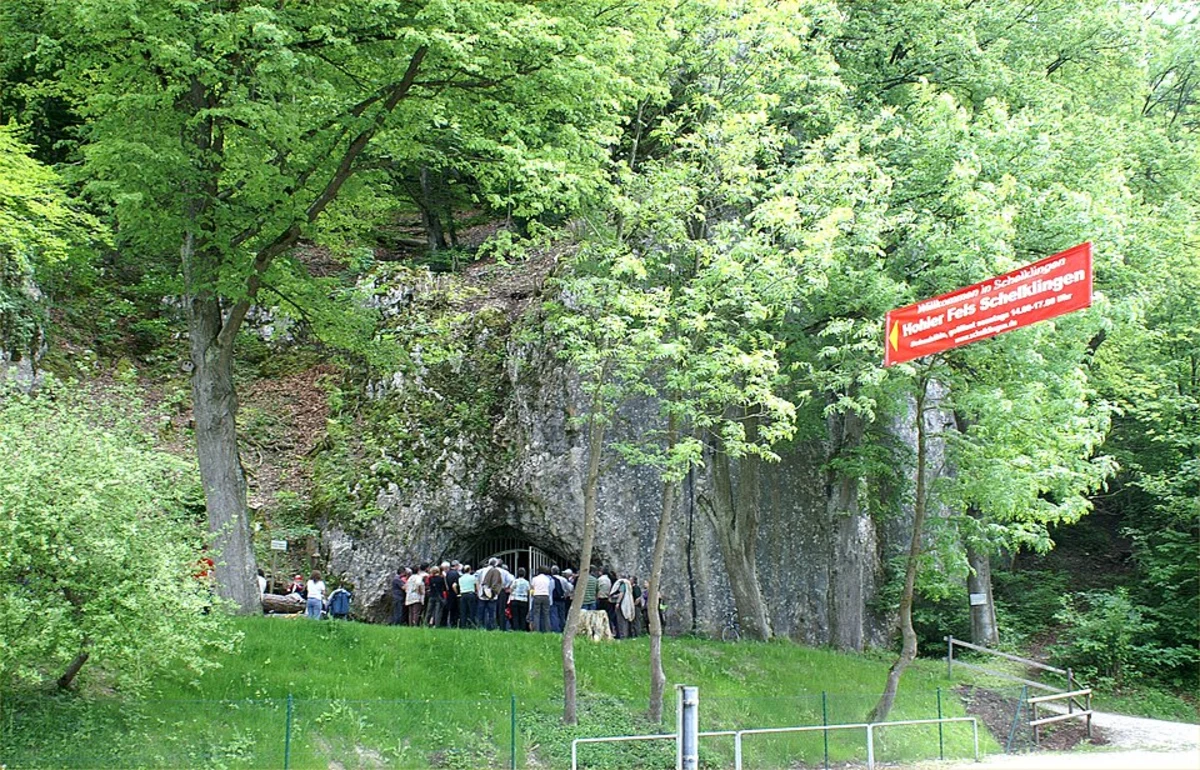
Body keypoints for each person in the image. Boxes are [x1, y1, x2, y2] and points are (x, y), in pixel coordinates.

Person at [609, 574, 634, 639]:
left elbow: (621, 593)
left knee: (621, 620)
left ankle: (622, 635)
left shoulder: (623, 584)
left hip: (622, 604)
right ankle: (625, 634)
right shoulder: (628, 585)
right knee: (625, 620)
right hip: (627, 603)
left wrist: (617, 602)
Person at [530, 565, 554, 632]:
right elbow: (549, 588)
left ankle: (536, 630)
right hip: (546, 596)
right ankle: (547, 630)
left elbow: (532, 588)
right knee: (546, 614)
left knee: (536, 614)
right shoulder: (547, 579)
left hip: (537, 595)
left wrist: (532, 595)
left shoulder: (535, 578)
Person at [508, 567, 530, 632]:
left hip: (515, 599)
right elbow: (528, 590)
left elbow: (511, 589)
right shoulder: (527, 582)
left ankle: (516, 628)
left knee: (515, 615)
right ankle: (523, 628)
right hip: (523, 600)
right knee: (523, 616)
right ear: (524, 574)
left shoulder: (515, 581)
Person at [442, 561, 461, 627]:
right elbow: (454, 585)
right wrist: (457, 593)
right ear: (456, 565)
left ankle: (450, 622)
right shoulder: (455, 573)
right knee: (455, 610)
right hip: (454, 594)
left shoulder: (448, 573)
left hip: (449, 594)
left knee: (451, 609)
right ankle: (454, 623)